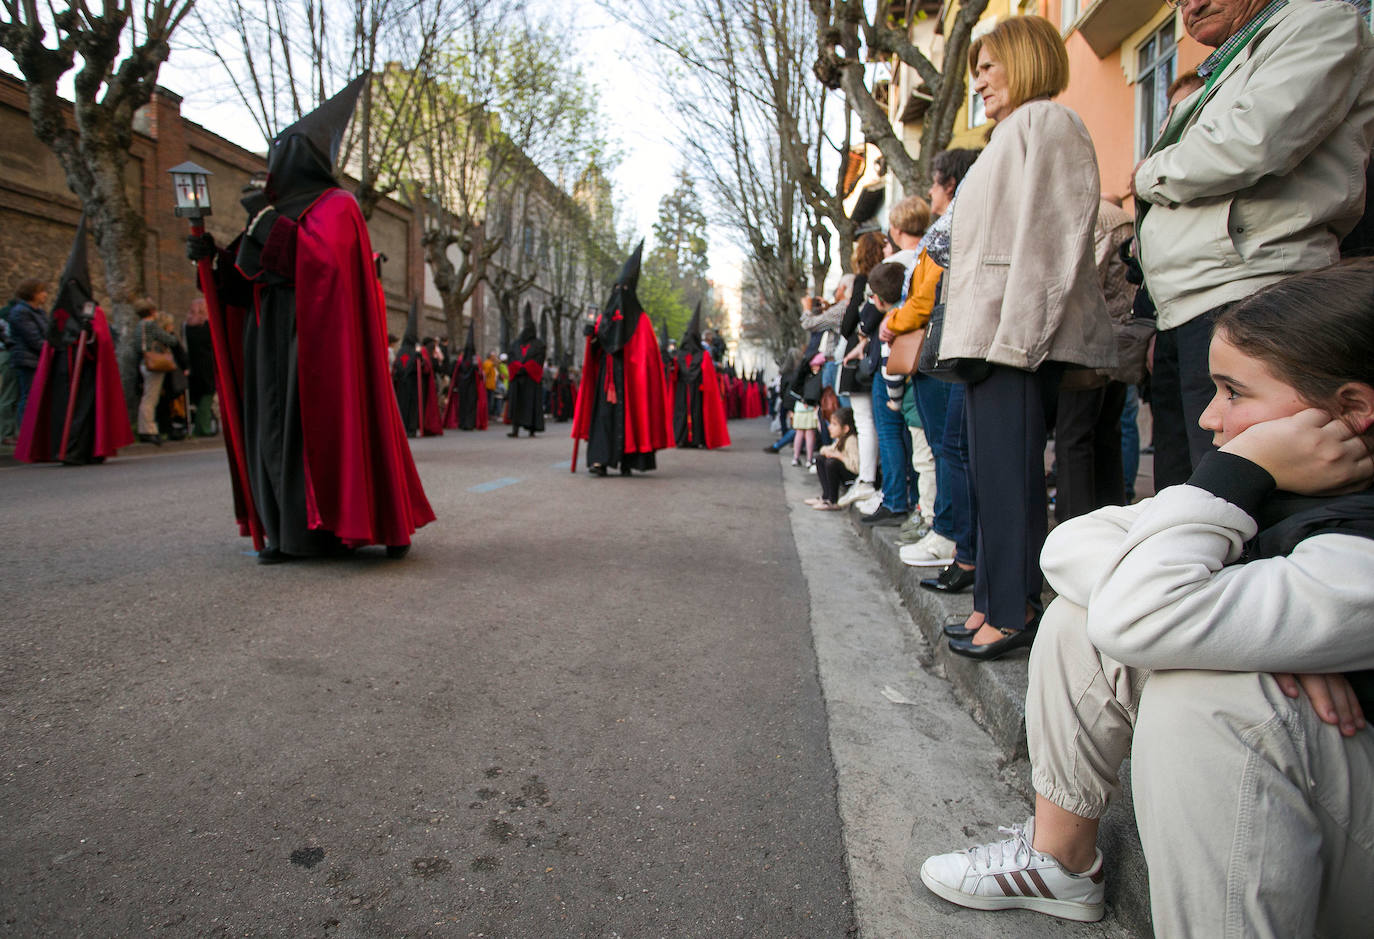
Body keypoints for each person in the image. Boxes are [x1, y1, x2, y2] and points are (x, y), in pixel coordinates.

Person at [921, 259, 1374, 933]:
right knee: (1090, 611)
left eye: (1234, 392)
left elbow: (1140, 611)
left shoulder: (1357, 544)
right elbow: (1069, 546)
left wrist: (1237, 471)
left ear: (1352, 411)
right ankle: (1062, 858)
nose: (1210, 415)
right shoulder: (1290, 496)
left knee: (1211, 691)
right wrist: (1260, 621)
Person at [187, 76, 434, 562]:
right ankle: (283, 532)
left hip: (315, 342)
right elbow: (245, 279)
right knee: (272, 433)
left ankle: (330, 528)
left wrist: (265, 223)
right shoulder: (274, 211)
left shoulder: (337, 206)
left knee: (312, 433)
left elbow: (319, 265)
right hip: (268, 340)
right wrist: (211, 261)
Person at [1135, 0, 1374, 490]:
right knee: (1188, 483)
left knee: (1240, 488)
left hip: (1251, 291)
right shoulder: (1231, 61)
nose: (1190, 6)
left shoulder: (1318, 21)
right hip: (1192, 299)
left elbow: (1251, 140)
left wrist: (1148, 173)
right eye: (1177, 2)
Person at [937, 16, 1116, 660]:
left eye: (989, 65)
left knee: (1010, 475)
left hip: (1012, 337)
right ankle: (992, 600)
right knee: (991, 474)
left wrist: (1018, 337)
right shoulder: (1010, 133)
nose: (978, 80)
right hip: (991, 335)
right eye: (975, 69)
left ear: (1025, 60)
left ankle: (1014, 610)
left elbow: (1052, 237)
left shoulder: (1048, 123)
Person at [916, 147, 982, 596]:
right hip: (963, 333)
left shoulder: (969, 208)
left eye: (935, 183)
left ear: (952, 185)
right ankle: (967, 552)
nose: (930, 193)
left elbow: (935, 245)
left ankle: (965, 550)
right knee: (954, 447)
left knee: (955, 448)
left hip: (969, 336)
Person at [14, 217, 132, 464]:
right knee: (61, 409)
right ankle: (64, 449)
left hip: (86, 371)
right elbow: (49, 339)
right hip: (62, 371)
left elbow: (102, 340)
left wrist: (88, 334)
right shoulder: (58, 310)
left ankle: (83, 449)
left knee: (85, 410)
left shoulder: (92, 310)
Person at [1052, 198, 1135, 521]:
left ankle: (1075, 528)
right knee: (1105, 436)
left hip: (1089, 341)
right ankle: (1109, 519)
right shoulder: (1119, 216)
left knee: (1075, 439)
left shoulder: (1096, 217)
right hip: (1117, 337)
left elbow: (1084, 284)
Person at [571, 242, 671, 476]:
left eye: (623, 288)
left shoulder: (642, 321)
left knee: (630, 418)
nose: (619, 292)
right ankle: (600, 460)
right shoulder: (606, 315)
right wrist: (592, 336)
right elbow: (599, 342)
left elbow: (644, 358)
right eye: (616, 288)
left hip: (629, 382)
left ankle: (628, 460)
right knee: (604, 417)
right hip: (607, 377)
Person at [858, 260, 915, 526]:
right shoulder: (906, 308)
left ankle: (894, 501)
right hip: (907, 381)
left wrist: (895, 399)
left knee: (890, 436)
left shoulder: (891, 320)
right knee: (908, 441)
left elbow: (889, 366)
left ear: (878, 298)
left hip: (893, 383)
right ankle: (910, 499)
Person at [835, 232, 886, 508]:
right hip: (878, 355)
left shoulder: (864, 281)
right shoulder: (888, 274)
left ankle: (867, 480)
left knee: (866, 422)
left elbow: (847, 324)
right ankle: (872, 479)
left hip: (864, 359)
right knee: (876, 423)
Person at [668, 302, 730, 449]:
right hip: (690, 390)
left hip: (692, 390)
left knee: (693, 412)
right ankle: (688, 438)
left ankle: (690, 438)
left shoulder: (694, 356)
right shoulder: (696, 356)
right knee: (688, 412)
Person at [134, 299, 180, 445]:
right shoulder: (150, 325)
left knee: (148, 396)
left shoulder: (138, 326)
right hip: (153, 362)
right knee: (151, 398)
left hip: (143, 362)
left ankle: (144, 428)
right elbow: (170, 340)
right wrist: (171, 334)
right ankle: (149, 429)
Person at [7, 278, 49, 429]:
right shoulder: (21, 312)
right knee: (29, 396)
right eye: (41, 291)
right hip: (28, 359)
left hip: (39, 358)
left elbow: (48, 333)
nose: (45, 294)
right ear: (32, 293)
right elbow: (33, 338)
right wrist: (50, 349)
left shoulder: (39, 312)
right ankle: (27, 431)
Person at [806, 406, 859, 511]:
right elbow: (825, 449)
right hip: (845, 471)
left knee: (832, 463)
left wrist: (839, 456)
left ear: (845, 428)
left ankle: (832, 501)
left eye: (834, 424)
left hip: (852, 477)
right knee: (820, 458)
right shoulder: (841, 439)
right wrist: (827, 451)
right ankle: (826, 496)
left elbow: (856, 467)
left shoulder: (851, 440)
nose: (829, 427)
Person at [505, 305, 546, 438]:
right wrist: (517, 367)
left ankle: (532, 429)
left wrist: (526, 368)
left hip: (531, 381)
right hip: (518, 379)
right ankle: (515, 429)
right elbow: (511, 357)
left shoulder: (539, 345)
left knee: (531, 405)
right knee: (516, 405)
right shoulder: (516, 344)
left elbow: (539, 360)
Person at [443, 322, 488, 431]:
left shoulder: (462, 360)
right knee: (469, 405)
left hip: (464, 385)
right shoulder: (473, 360)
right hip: (470, 385)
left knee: (465, 404)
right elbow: (479, 374)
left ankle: (464, 423)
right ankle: (467, 423)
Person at [183, 298, 217, 437]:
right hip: (205, 366)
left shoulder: (187, 327)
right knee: (206, 397)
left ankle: (201, 426)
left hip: (195, 365)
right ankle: (203, 427)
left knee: (202, 397)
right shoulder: (205, 327)